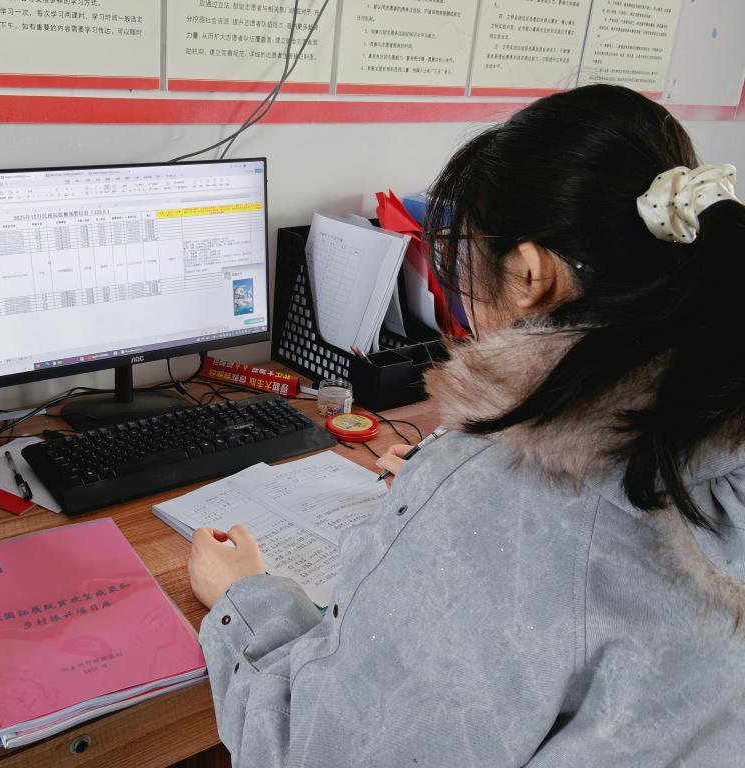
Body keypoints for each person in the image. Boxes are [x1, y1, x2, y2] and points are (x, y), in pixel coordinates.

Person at [187, 84, 745, 767]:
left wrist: (244, 598)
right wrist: (456, 492)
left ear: (531, 274)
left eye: (467, 265)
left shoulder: (510, 491)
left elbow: (311, 750)